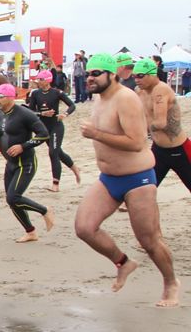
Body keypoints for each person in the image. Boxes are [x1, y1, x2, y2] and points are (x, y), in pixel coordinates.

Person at [74, 53, 179, 306]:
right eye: (89, 73)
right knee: (85, 228)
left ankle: (170, 282)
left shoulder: (126, 99)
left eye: (96, 73)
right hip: (108, 178)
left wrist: (95, 134)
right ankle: (123, 263)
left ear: (112, 74)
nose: (90, 77)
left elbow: (136, 143)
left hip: (137, 179)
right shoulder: (99, 100)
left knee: (149, 240)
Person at [0, 83, 52, 242]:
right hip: (11, 163)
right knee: (12, 200)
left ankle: (45, 210)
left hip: (26, 163)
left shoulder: (25, 114)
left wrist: (23, 146)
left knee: (13, 197)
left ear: (11, 97)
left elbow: (43, 134)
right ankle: (30, 232)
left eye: (1, 96)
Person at [134, 57, 191, 192]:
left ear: (152, 74)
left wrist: (138, 129)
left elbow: (160, 123)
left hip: (179, 149)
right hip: (159, 149)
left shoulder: (160, 90)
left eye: (140, 76)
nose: (136, 80)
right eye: (134, 76)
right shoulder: (139, 91)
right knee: (147, 185)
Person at [28, 69, 80, 191]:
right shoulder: (35, 94)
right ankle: (74, 168)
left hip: (56, 126)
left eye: (40, 79)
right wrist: (42, 113)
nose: (38, 82)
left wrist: (65, 114)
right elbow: (30, 112)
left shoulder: (57, 93)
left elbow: (72, 105)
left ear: (47, 81)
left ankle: (55, 185)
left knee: (53, 152)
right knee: (58, 152)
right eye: (38, 79)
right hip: (44, 128)